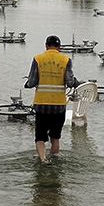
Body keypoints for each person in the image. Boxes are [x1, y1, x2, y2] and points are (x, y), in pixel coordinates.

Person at [25, 35, 80, 164]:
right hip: (59, 105)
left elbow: (32, 81)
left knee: (40, 137)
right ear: (59, 47)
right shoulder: (66, 60)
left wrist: (27, 84)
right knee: (55, 137)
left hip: (41, 104)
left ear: (46, 45)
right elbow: (70, 82)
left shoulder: (38, 59)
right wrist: (77, 82)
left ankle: (43, 160)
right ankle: (54, 160)